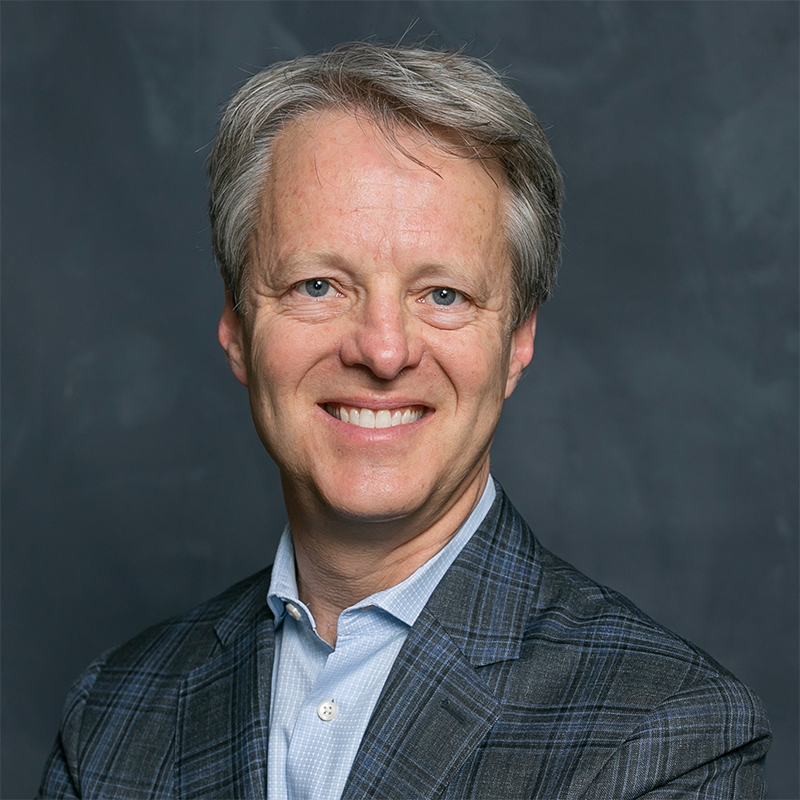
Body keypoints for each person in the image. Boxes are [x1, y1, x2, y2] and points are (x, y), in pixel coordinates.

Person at [38, 42, 770, 799]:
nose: (384, 351)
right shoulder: (112, 718)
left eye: (443, 295)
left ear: (517, 340)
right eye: (318, 285)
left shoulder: (667, 732)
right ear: (236, 328)